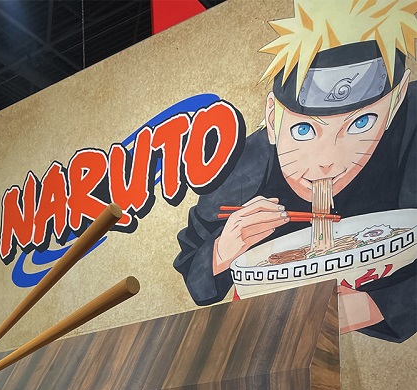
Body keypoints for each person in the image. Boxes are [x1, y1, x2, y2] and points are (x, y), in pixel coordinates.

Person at [173, 0, 415, 342]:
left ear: (397, 101)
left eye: (361, 123)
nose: (327, 161)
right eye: (303, 130)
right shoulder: (246, 166)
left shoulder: (411, 131)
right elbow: (193, 269)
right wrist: (222, 250)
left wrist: (373, 306)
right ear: (273, 118)